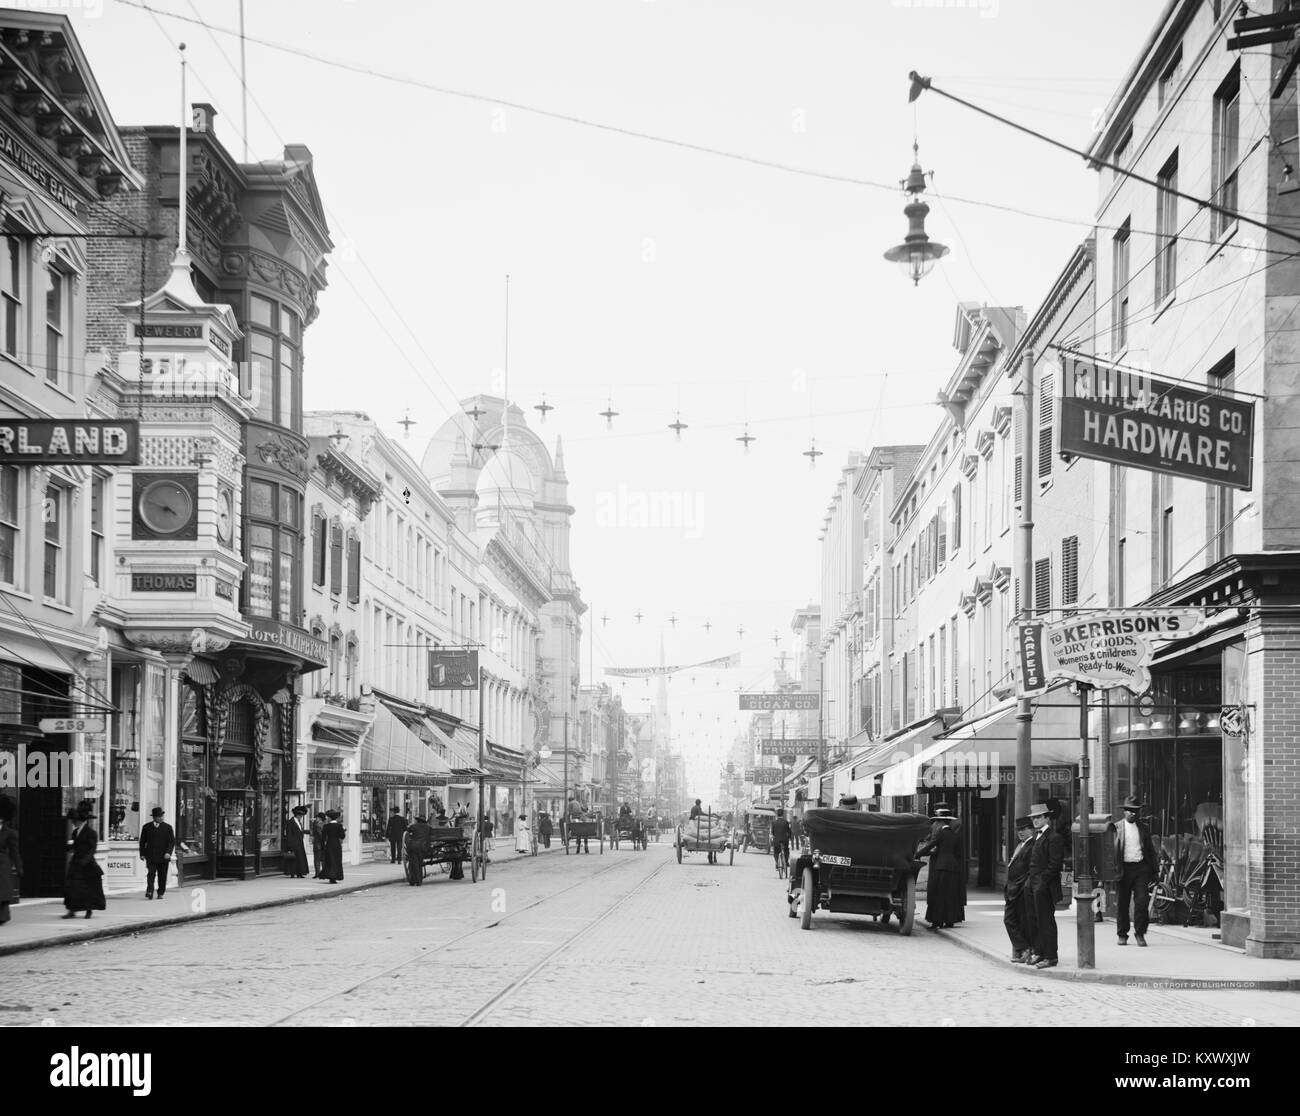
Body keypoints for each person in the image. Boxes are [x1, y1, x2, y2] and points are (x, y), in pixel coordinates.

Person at [1110, 795, 1158, 947]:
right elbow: (1110, 852)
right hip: (1123, 869)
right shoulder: (1116, 828)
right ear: (1124, 811)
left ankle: (1140, 933)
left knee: (1142, 902)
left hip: (1140, 868)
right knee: (1122, 903)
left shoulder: (1144, 828)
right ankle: (1122, 934)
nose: (1132, 814)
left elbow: (1150, 851)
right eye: (1129, 811)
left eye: (1135, 811)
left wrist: (1155, 872)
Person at [916, 804, 965, 930]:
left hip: (941, 866)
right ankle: (949, 920)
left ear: (942, 821)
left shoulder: (941, 834)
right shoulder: (953, 835)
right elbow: (957, 852)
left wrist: (917, 854)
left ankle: (937, 921)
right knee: (950, 895)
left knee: (938, 894)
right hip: (953, 867)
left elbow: (930, 846)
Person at [1027, 801, 1064, 968]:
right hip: (1033, 885)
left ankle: (1051, 956)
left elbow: (1055, 864)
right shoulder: (1036, 836)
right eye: (1033, 818)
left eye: (1039, 817)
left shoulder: (1054, 837)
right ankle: (1040, 952)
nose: (1035, 820)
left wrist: (1042, 882)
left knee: (1046, 921)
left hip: (1045, 887)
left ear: (1046, 818)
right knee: (1035, 920)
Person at [63, 802, 105, 919]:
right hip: (76, 863)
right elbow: (72, 846)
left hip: (87, 865)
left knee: (88, 889)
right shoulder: (75, 832)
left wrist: (85, 861)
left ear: (78, 821)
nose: (72, 822)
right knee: (72, 887)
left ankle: (88, 910)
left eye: (73, 820)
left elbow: (92, 849)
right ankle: (71, 909)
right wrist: (67, 847)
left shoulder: (91, 833)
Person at [1003, 815, 1036, 962]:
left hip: (1020, 890)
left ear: (1031, 830)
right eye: (1018, 830)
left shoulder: (1032, 845)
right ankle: (1023, 949)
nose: (1020, 832)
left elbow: (1029, 870)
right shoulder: (1021, 844)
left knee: (1020, 921)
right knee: (1010, 920)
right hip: (1012, 890)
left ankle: (1025, 950)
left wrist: (1020, 887)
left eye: (1023, 829)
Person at [139, 807, 175, 900]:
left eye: (162, 816)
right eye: (159, 816)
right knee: (151, 874)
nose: (162, 818)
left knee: (162, 876)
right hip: (150, 855)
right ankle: (150, 891)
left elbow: (171, 842)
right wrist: (142, 853)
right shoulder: (146, 827)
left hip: (163, 857)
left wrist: (168, 852)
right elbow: (142, 841)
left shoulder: (168, 828)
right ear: (154, 817)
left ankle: (160, 892)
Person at [0, 795, 20, 926]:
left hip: (2, 865)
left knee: (2, 892)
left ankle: (2, 917)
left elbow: (14, 852)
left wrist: (19, 867)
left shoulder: (10, 833)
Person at [405, 816, 433, 885]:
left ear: (418, 821)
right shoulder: (428, 827)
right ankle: (419, 879)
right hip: (423, 847)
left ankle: (416, 880)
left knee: (414, 863)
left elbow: (407, 831)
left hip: (413, 847)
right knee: (419, 863)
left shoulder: (414, 826)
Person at [285, 805, 310, 878]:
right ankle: (293, 873)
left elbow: (300, 831)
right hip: (293, 843)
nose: (301, 817)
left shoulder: (299, 822)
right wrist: (289, 845)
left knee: (300, 858)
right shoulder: (290, 822)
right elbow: (289, 834)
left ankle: (300, 872)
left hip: (299, 843)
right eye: (300, 815)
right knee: (294, 859)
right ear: (297, 815)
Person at [321, 808, 345, 883]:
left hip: (329, 844)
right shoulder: (339, 826)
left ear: (329, 818)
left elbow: (323, 838)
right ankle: (335, 876)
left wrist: (323, 846)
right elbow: (342, 836)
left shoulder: (326, 826)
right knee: (337, 860)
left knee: (330, 860)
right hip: (337, 845)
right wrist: (343, 831)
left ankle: (330, 877)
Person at [310, 812, 326, 879]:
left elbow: (320, 835)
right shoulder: (324, 824)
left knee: (317, 860)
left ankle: (318, 873)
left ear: (319, 818)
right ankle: (324, 873)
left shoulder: (318, 825)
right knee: (323, 860)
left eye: (316, 817)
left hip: (318, 845)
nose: (315, 818)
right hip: (323, 845)